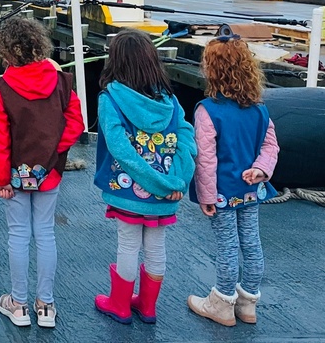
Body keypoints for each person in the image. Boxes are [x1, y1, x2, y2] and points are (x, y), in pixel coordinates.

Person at [93, 29, 197, 325]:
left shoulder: (110, 97)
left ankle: (120, 305)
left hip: (128, 192)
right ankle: (148, 306)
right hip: (166, 194)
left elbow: (120, 150)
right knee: (156, 246)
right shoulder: (169, 100)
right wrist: (177, 181)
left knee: (127, 246)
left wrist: (154, 182)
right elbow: (186, 138)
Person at [0, 18, 85, 329]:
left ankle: (18, 304)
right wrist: (55, 153)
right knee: (45, 234)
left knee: (18, 235)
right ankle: (46, 305)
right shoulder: (63, 82)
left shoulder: (0, 90)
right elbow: (75, 122)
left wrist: (1, 179)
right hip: (51, 171)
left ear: (7, 51)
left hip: (14, 176)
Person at [187, 34, 279, 327]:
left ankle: (222, 304)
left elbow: (206, 160)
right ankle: (248, 302)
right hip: (251, 190)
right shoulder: (259, 109)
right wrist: (261, 170)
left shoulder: (207, 111)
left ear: (211, 70)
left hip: (222, 193)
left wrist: (206, 197)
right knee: (251, 244)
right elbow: (270, 146)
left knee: (227, 246)